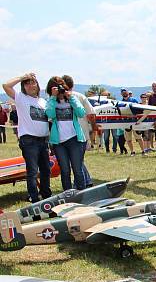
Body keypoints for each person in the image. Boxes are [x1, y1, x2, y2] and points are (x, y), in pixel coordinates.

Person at [2, 73, 51, 201]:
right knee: (32, 171)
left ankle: (46, 195)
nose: (30, 85)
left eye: (32, 82)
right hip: (29, 140)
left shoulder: (43, 102)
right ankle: (33, 197)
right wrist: (22, 77)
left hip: (43, 140)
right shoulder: (21, 98)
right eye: (27, 83)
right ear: (24, 86)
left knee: (46, 170)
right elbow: (6, 85)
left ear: (37, 85)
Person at [45, 76, 86, 191]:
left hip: (74, 139)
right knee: (65, 170)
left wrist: (71, 98)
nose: (59, 89)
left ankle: (81, 193)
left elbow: (81, 113)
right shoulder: (51, 101)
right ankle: (68, 194)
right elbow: (50, 114)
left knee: (77, 169)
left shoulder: (72, 99)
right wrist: (53, 97)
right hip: (59, 142)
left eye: (61, 86)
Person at [62, 75, 94, 187]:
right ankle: (87, 180)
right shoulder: (81, 96)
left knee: (76, 161)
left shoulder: (63, 98)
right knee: (78, 160)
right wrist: (93, 128)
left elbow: (89, 114)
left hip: (75, 134)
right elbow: (91, 114)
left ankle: (81, 183)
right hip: (82, 133)